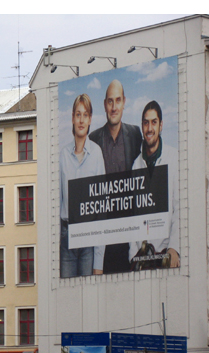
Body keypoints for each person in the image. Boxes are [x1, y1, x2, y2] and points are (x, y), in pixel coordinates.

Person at [89, 79, 143, 274]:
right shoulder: (93, 139)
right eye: (110, 101)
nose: (113, 107)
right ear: (105, 104)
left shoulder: (136, 134)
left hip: (129, 231)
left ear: (124, 102)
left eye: (117, 100)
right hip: (103, 232)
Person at [128, 101, 180, 270]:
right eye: (145, 122)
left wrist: (174, 248)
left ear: (161, 125)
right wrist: (134, 253)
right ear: (142, 127)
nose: (149, 128)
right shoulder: (136, 165)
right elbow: (133, 214)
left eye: (154, 122)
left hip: (167, 254)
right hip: (143, 258)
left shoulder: (173, 158)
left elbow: (179, 207)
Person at [60, 93, 106, 277]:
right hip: (66, 239)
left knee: (89, 299)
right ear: (72, 118)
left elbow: (102, 209)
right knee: (66, 299)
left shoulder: (96, 154)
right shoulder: (62, 156)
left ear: (90, 119)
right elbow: (57, 205)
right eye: (78, 114)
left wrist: (99, 262)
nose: (81, 120)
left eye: (85, 115)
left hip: (89, 237)